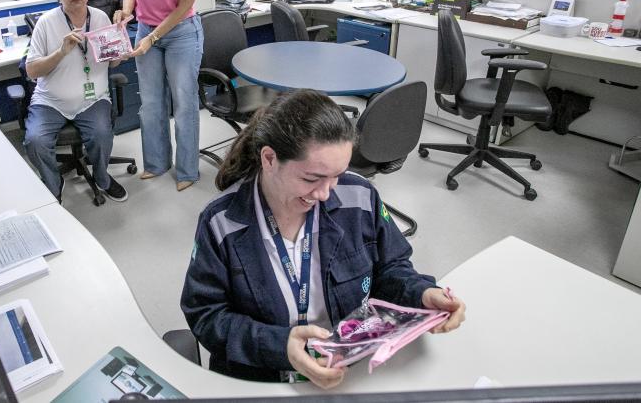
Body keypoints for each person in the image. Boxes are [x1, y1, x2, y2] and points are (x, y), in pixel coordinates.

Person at [180, 90, 465, 388]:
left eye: (337, 175)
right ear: (269, 159)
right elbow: (206, 315)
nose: (325, 193)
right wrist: (280, 346)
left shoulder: (360, 196)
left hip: (350, 369)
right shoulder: (222, 222)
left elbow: (391, 268)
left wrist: (421, 292)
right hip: (264, 378)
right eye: (311, 178)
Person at [113, 0, 205, 192]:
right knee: (150, 102)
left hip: (180, 33)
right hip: (145, 30)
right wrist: (127, 11)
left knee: (183, 102)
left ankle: (188, 171)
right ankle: (155, 163)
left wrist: (152, 37)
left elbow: (184, 6)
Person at [23, 0, 128, 204]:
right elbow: (31, 70)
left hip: (93, 98)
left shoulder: (101, 18)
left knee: (102, 133)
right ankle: (52, 186)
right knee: (35, 140)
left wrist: (118, 56)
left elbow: (111, 65)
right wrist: (61, 51)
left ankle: (102, 178)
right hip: (51, 101)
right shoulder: (46, 23)